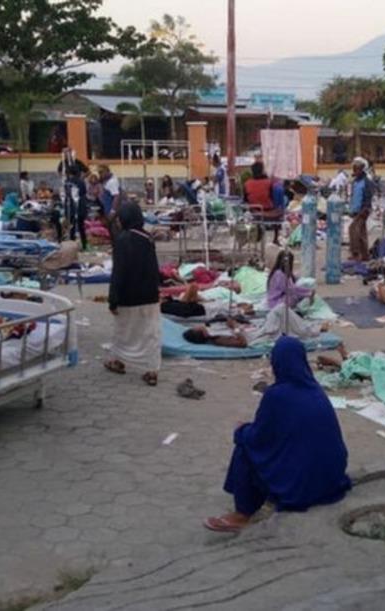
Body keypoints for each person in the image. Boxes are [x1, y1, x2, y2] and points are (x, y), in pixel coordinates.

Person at [204, 336, 351, 532]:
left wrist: (241, 430)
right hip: (332, 479)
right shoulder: (315, 389)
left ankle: (242, 514)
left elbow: (258, 438)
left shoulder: (277, 395)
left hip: (303, 486)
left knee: (244, 447)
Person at [104, 204, 162, 386]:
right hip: (149, 295)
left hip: (127, 296)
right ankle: (152, 370)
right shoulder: (147, 238)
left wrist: (113, 299)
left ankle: (118, 361)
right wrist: (157, 290)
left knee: (123, 331)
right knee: (150, 332)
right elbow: (154, 268)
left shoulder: (122, 240)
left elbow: (118, 272)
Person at [182, 304, 329, 348]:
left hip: (255, 328)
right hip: (259, 335)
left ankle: (310, 328)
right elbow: (242, 343)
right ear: (200, 333)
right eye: (196, 328)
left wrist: (234, 322)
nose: (199, 326)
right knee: (280, 309)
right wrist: (234, 327)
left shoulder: (213, 330)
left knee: (283, 314)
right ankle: (312, 330)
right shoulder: (218, 339)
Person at [347, 158, 374, 262]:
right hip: (356, 210)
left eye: (357, 169)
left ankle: (356, 253)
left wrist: (364, 210)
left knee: (353, 229)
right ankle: (365, 255)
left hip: (363, 211)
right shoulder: (355, 182)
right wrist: (351, 209)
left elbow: (368, 198)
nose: (355, 171)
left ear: (362, 170)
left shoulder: (367, 182)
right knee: (362, 232)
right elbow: (354, 197)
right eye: (354, 169)